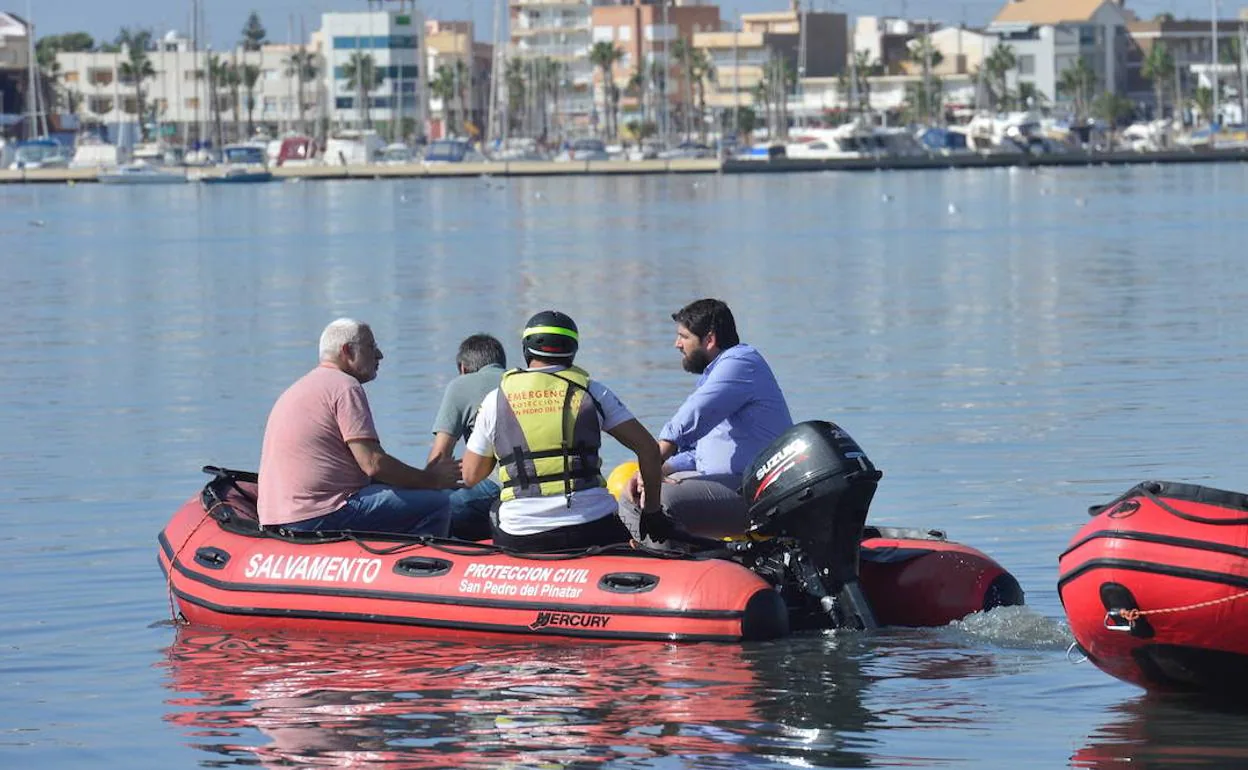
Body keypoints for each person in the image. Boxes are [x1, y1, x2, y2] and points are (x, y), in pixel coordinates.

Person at [461, 310, 666, 552]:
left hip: (521, 535)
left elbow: (471, 475)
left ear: (527, 350)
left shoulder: (496, 400)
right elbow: (649, 450)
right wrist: (652, 510)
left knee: (496, 509)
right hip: (593, 527)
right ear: (572, 349)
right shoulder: (592, 392)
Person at [258, 318, 460, 536]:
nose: (379, 355)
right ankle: (427, 564)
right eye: (371, 347)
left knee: (401, 492)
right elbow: (373, 463)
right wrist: (432, 480)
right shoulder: (345, 386)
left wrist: (417, 481)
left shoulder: (301, 387)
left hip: (277, 516)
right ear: (347, 351)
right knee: (436, 504)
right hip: (319, 514)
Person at [619, 298, 793, 543]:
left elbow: (695, 413)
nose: (677, 344)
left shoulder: (741, 363)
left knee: (650, 500)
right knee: (633, 485)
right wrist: (664, 468)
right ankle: (690, 559)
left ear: (709, 339)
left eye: (683, 336)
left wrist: (655, 458)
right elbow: (700, 452)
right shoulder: (720, 373)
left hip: (758, 492)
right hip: (737, 486)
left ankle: (668, 569)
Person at [427, 333, 507, 540]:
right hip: (535, 487)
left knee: (429, 505)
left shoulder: (461, 385)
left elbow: (438, 459)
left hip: (497, 488)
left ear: (463, 368)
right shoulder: (519, 381)